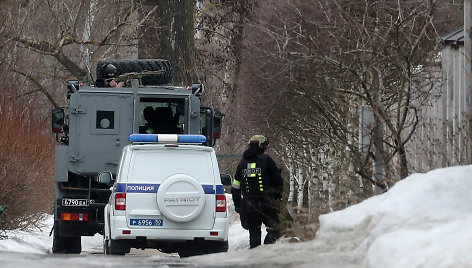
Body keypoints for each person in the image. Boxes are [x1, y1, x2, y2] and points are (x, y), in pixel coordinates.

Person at [232, 135, 283, 249]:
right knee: (276, 230)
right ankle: (265, 252)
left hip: (249, 206)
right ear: (261, 146)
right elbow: (278, 181)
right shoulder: (266, 160)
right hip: (266, 204)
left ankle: (255, 261)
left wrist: (238, 205)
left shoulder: (242, 163)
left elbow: (236, 186)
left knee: (254, 237)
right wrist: (277, 198)